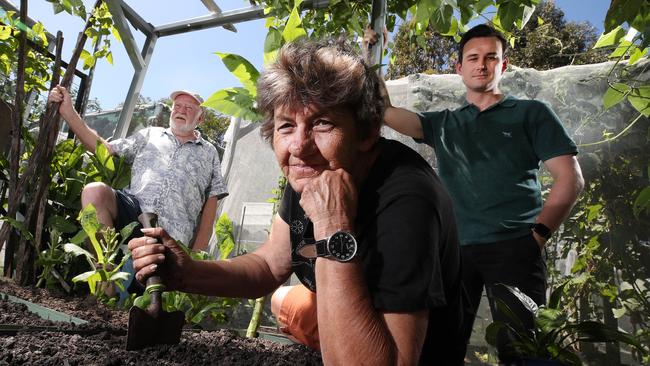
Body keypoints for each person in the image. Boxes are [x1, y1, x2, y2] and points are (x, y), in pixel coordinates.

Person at [129, 38, 466, 365]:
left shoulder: (407, 198)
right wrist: (189, 272)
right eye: (286, 126)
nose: (299, 146)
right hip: (356, 323)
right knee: (283, 301)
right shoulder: (312, 169)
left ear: (367, 131)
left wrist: (333, 226)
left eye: (322, 122)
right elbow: (268, 266)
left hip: (412, 352)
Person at [369, 24, 585, 362]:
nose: (481, 65)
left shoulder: (532, 114)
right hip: (454, 254)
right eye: (472, 58)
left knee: (523, 351)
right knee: (438, 348)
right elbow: (383, 111)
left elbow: (570, 179)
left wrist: (536, 238)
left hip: (515, 248)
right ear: (459, 68)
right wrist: (375, 52)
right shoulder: (444, 124)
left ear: (504, 64)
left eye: (490, 57)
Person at [48, 86, 228, 251]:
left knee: (149, 284)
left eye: (189, 108)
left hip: (173, 234)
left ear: (201, 118)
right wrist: (69, 113)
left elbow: (211, 205)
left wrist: (196, 255)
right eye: (177, 105)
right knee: (94, 192)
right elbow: (105, 150)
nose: (181, 110)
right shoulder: (150, 134)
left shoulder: (209, 152)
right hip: (135, 214)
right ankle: (104, 278)